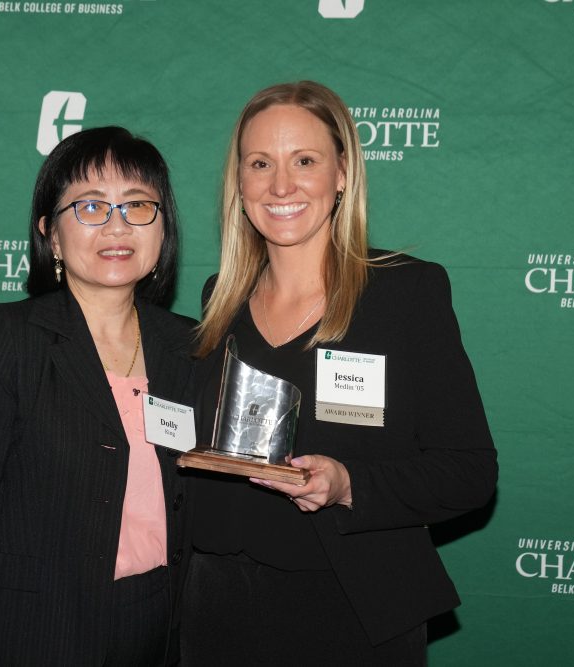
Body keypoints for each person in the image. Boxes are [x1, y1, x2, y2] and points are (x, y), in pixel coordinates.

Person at [183, 81, 498, 665]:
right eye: (260, 163)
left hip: (352, 613)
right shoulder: (218, 301)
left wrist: (350, 484)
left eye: (305, 160)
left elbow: (469, 471)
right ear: (240, 182)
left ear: (343, 172)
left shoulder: (406, 292)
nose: (281, 185)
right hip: (217, 611)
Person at [0, 126, 195, 666]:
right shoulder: (11, 338)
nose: (117, 225)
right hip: (39, 632)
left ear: (163, 226)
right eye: (90, 206)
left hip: (162, 631)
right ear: (50, 231)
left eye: (138, 204)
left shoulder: (188, 344)